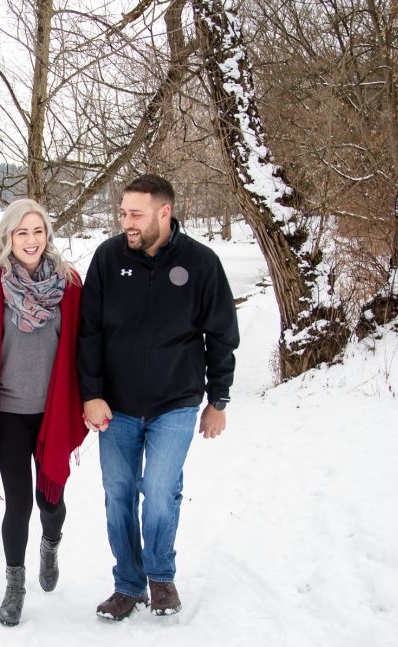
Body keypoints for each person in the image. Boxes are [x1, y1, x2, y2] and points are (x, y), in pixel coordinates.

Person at [77, 174, 240, 620]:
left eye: (136, 214)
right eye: (123, 213)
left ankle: (161, 576)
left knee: (162, 489)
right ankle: (128, 584)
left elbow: (222, 334)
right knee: (119, 494)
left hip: (176, 403)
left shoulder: (200, 262)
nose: (126, 222)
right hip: (118, 406)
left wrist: (218, 401)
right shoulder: (109, 258)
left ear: (163, 213)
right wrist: (90, 394)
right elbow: (88, 332)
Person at [0, 198, 87, 627]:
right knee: (19, 505)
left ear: (47, 235)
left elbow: (87, 348)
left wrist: (92, 400)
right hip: (9, 414)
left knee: (52, 500)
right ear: (9, 238)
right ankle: (15, 585)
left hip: (54, 413)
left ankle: (51, 543)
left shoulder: (69, 285)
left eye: (38, 231)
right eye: (22, 232)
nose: (31, 240)